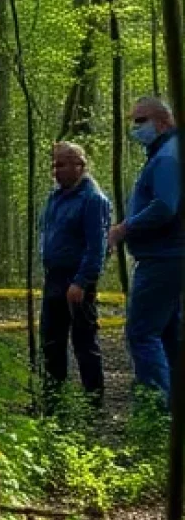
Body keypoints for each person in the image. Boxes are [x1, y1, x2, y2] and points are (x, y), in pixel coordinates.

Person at [108, 97, 184, 402]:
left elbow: (165, 206)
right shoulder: (166, 153)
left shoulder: (168, 157)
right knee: (168, 334)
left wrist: (124, 228)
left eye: (141, 121)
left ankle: (155, 413)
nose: (135, 128)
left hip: (163, 258)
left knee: (141, 333)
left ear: (162, 121)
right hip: (168, 256)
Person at [39, 141, 109, 411]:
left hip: (76, 281)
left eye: (61, 165)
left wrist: (81, 281)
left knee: (83, 342)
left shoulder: (93, 200)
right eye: (54, 164)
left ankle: (94, 403)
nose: (55, 170)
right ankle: (53, 401)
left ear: (79, 166)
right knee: (51, 341)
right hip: (54, 278)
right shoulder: (56, 197)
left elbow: (97, 247)